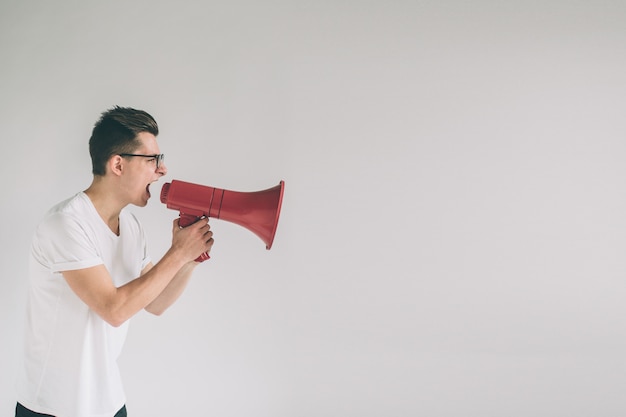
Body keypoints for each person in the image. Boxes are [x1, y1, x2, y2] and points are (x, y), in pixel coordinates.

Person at [15, 106, 214, 417]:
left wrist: (189, 257)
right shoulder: (66, 224)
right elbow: (115, 309)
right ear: (118, 164)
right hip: (54, 406)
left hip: (107, 401)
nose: (162, 170)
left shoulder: (131, 226)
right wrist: (177, 253)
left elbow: (156, 302)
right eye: (153, 160)